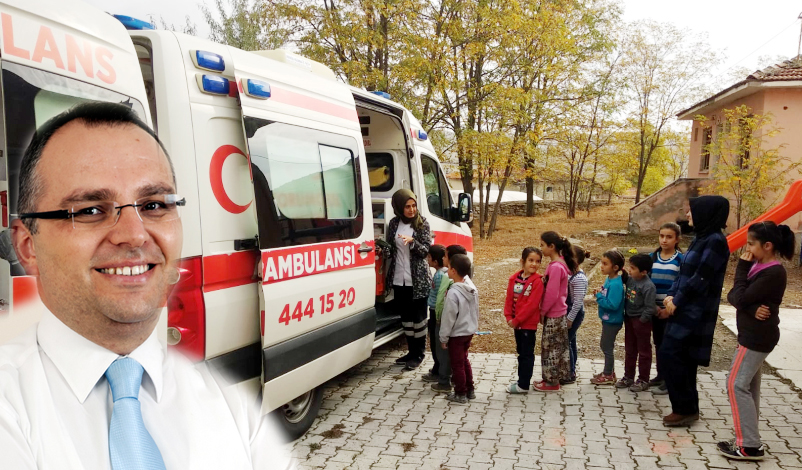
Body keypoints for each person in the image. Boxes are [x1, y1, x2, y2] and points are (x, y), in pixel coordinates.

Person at [0, 102, 290, 469]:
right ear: (28, 246)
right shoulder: (9, 408)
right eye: (90, 210)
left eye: (154, 205)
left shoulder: (229, 407)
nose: (134, 235)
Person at [718, 221, 794, 461]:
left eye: (751, 244)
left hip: (757, 337)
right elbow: (735, 296)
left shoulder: (773, 271)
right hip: (752, 333)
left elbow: (740, 297)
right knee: (749, 387)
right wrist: (750, 308)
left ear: (768, 245)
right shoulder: (760, 266)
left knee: (735, 384)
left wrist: (741, 267)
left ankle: (750, 445)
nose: (747, 248)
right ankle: (747, 438)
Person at [661, 195, 730, 427]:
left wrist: (678, 301)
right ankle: (687, 408)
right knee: (682, 357)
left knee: (672, 354)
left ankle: (684, 407)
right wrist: (671, 294)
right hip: (682, 305)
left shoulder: (716, 241)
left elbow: (702, 277)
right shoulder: (701, 238)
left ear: (706, 213)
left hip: (695, 311)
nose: (688, 215)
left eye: (692, 211)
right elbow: (683, 272)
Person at [387, 188, 432, 370]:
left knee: (418, 318)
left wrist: (412, 242)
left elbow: (425, 251)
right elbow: (392, 247)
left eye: (413, 206)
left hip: (417, 279)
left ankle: (419, 353)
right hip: (399, 278)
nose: (412, 210)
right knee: (406, 318)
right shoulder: (393, 223)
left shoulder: (422, 224)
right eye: (407, 206)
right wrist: (384, 249)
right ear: (399, 207)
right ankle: (410, 352)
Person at [533, 231, 575, 392]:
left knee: (550, 348)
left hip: (554, 313)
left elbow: (552, 293)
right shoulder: (558, 264)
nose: (541, 248)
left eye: (542, 245)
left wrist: (543, 311)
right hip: (557, 313)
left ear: (552, 246)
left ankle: (551, 382)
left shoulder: (557, 267)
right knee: (556, 347)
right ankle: (551, 379)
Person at [649, 222, 683, 395]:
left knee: (670, 346)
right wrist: (653, 307)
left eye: (669, 237)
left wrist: (667, 309)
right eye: (662, 236)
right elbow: (645, 282)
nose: (664, 240)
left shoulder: (680, 260)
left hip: (671, 311)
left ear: (677, 239)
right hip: (653, 310)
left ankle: (670, 381)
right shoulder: (652, 257)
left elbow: (681, 285)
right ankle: (660, 375)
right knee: (658, 343)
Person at [439, 254, 478, 404]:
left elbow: (448, 318)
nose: (447, 270)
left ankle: (460, 393)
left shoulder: (453, 293)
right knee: (464, 360)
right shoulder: (471, 288)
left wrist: (443, 338)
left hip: (457, 334)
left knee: (457, 364)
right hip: (468, 331)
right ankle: (470, 389)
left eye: (448, 267)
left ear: (453, 271)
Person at [504, 247, 544, 394]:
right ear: (523, 261)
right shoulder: (514, 279)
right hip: (516, 324)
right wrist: (509, 317)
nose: (534, 264)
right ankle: (522, 380)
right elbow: (509, 299)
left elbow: (532, 306)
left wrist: (517, 320)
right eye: (531, 260)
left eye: (538, 261)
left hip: (527, 325)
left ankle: (523, 384)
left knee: (526, 354)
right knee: (521, 352)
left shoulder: (537, 282)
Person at [429, 245, 466, 393]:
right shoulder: (464, 281)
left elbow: (442, 303)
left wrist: (439, 321)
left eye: (445, 256)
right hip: (459, 325)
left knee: (443, 353)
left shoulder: (447, 280)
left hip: (445, 321)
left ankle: (445, 382)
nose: (442, 258)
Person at [617, 254, 657, 392]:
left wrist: (642, 320)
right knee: (630, 349)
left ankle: (643, 379)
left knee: (644, 351)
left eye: (633, 268)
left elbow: (650, 307)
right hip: (629, 319)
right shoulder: (631, 279)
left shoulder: (648, 286)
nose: (630, 270)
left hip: (641, 322)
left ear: (644, 272)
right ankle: (628, 376)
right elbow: (623, 277)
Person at [590, 250, 626, 385]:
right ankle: (608, 370)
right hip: (607, 319)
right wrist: (600, 292)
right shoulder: (609, 279)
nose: (601, 266)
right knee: (605, 345)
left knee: (606, 346)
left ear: (615, 267)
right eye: (601, 263)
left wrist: (599, 297)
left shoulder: (616, 284)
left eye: (605, 264)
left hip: (613, 320)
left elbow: (613, 305)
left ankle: (608, 374)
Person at [422, 244, 447, 384]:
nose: (427, 259)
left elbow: (437, 296)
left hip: (435, 312)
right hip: (438, 313)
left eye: (429, 257)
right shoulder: (444, 273)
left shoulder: (438, 275)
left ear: (435, 261)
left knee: (435, 343)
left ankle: (437, 370)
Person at [565, 245, 589, 385]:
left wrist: (570, 318)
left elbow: (578, 302)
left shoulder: (579, 278)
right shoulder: (571, 273)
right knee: (571, 340)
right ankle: (571, 369)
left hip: (575, 313)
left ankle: (570, 372)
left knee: (566, 341)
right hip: (570, 311)